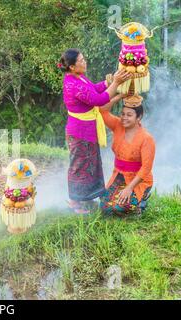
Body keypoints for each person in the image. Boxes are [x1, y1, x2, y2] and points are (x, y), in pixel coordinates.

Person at [59, 48, 132, 214]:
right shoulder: (73, 85)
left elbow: (94, 89)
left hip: (87, 130)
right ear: (71, 67)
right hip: (79, 132)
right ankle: (74, 202)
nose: (85, 62)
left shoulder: (79, 78)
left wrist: (109, 82)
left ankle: (87, 198)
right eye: (81, 60)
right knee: (79, 166)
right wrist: (116, 83)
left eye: (84, 59)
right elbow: (98, 100)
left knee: (90, 165)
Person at [99, 95, 156, 216]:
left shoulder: (147, 139)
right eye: (123, 114)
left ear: (139, 117)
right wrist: (120, 96)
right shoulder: (117, 125)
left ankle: (142, 200)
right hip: (119, 176)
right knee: (105, 207)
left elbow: (146, 168)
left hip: (139, 180)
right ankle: (126, 196)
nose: (124, 118)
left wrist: (129, 188)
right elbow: (102, 111)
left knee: (122, 208)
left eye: (129, 115)